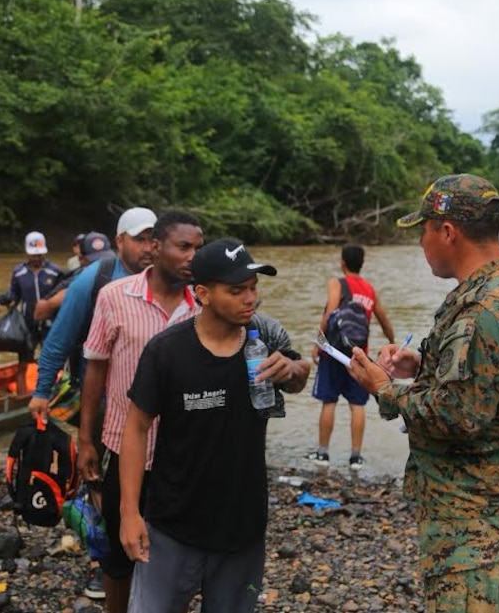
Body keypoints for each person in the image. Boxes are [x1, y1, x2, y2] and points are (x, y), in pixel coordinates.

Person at [346, 174, 499, 613]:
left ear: (447, 231)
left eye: (423, 230)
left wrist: (383, 388)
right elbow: (497, 381)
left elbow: (457, 417)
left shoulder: (483, 309)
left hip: (471, 519)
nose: (421, 243)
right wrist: (423, 366)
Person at [119, 239, 310, 613]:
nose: (249, 299)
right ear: (203, 294)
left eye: (253, 288)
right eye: (236, 290)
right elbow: (136, 428)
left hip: (244, 526)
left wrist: (292, 369)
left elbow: (300, 373)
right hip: (173, 525)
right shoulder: (167, 351)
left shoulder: (264, 338)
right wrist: (129, 513)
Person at [27, 207, 157, 600]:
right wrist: (41, 391)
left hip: (160, 409)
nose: (148, 247)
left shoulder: (169, 280)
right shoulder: (96, 280)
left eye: (154, 238)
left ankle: (152, 561)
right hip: (104, 405)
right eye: (139, 239)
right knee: (103, 485)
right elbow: (60, 339)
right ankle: (105, 564)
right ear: (120, 241)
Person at [77, 211, 204, 613]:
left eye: (198, 248)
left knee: (178, 557)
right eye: (184, 247)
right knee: (119, 557)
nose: (192, 257)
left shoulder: (204, 305)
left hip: (183, 456)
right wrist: (85, 440)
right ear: (156, 247)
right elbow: (95, 369)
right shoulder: (115, 296)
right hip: (121, 446)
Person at [309, 244, 395, 470]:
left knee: (329, 401)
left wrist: (318, 343)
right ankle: (356, 457)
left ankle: (322, 454)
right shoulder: (370, 289)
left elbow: (329, 312)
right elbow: (384, 320)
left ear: (342, 262)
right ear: (362, 264)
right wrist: (392, 344)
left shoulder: (337, 283)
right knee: (357, 404)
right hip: (359, 356)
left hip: (334, 353)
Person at [0, 231, 63, 393]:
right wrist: (4, 299)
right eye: (33, 255)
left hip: (51, 324)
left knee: (52, 360)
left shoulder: (55, 272)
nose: (36, 258)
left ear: (44, 252)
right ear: (27, 253)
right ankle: (22, 397)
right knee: (23, 362)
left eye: (39, 255)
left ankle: (53, 392)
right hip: (28, 325)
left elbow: (63, 296)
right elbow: (14, 294)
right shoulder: (19, 272)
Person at [33, 231, 115, 324]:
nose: (101, 265)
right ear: (81, 259)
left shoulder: (121, 278)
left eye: (105, 260)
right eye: (94, 262)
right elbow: (38, 313)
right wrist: (54, 303)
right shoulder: (73, 281)